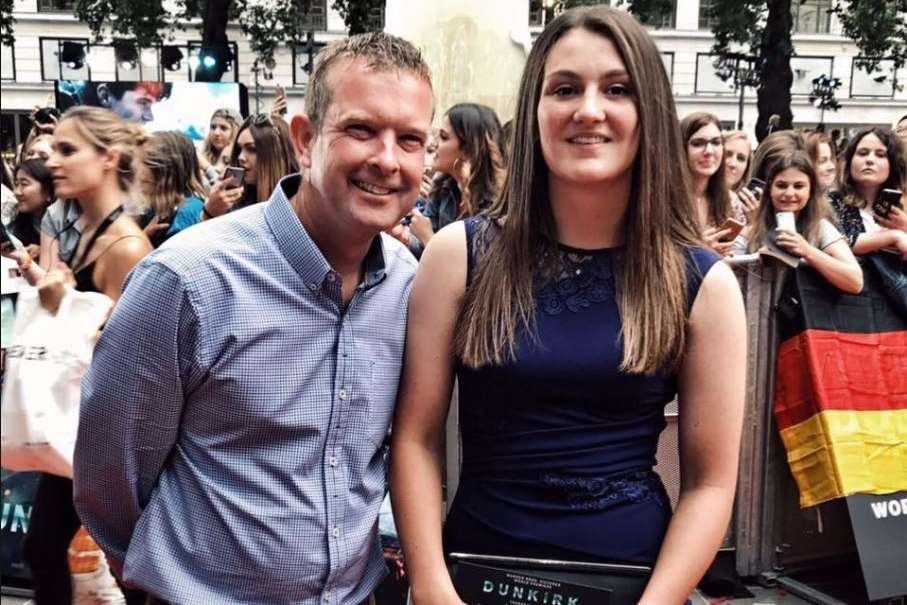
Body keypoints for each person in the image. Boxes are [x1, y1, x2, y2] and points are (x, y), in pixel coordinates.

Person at [390, 7, 746, 605]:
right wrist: (430, 586)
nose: (588, 109)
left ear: (649, 113)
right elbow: (417, 439)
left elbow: (710, 484)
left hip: (633, 584)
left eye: (616, 89)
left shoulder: (702, 284)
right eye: (564, 89)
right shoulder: (460, 255)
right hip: (473, 578)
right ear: (534, 112)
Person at [73, 32, 433, 603]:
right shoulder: (188, 280)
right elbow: (108, 479)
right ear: (306, 138)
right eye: (361, 130)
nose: (387, 160)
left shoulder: (409, 286)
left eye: (409, 139)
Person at [14, 106, 152, 605]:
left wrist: (65, 304)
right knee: (47, 551)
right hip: (81, 430)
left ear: (109, 158)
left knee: (124, 567)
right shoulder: (91, 231)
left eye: (68, 150)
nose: (52, 160)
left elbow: (128, 360)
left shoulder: (127, 247)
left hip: (106, 439)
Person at [732, 151, 862, 293]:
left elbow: (855, 282)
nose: (789, 193)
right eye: (781, 185)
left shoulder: (820, 228)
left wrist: (807, 251)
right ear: (770, 189)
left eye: (798, 186)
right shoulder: (751, 229)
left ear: (810, 190)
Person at [407, 102, 505, 256]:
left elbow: (474, 271)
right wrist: (402, 237)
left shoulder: (496, 205)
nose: (432, 143)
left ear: (468, 150)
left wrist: (428, 238)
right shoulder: (442, 187)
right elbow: (421, 252)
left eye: (444, 137)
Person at [201, 112, 298, 219]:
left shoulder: (298, 203)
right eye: (239, 149)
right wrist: (210, 212)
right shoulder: (236, 203)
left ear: (276, 154)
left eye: (251, 149)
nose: (240, 157)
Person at [830, 127, 907, 259]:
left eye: (881, 155)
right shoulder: (832, 201)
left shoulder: (901, 206)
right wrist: (894, 236)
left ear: (893, 164)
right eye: (862, 153)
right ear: (849, 162)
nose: (870, 160)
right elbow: (838, 241)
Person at [137, 131, 207, 247]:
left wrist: (141, 242)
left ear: (168, 169)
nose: (139, 170)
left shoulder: (186, 212)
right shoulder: (159, 205)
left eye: (147, 163)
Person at [681, 112, 735, 256]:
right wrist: (700, 251)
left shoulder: (732, 201)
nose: (709, 151)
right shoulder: (662, 200)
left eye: (716, 143)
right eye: (698, 144)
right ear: (681, 149)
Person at [8, 158, 55, 259]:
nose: (16, 192)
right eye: (16, 184)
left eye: (24, 184)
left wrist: (44, 251)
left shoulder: (64, 224)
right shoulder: (15, 226)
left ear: (48, 191)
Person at [199, 107, 241, 184]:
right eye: (213, 127)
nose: (216, 133)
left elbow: (224, 190)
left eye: (223, 128)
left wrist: (222, 161)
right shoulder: (203, 155)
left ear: (236, 131)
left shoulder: (240, 161)